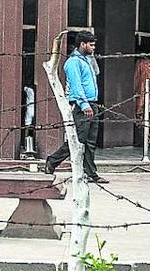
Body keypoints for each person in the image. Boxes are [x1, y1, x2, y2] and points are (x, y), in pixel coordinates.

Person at [44, 31, 107, 183]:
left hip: (92, 104)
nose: (93, 48)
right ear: (82, 44)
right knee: (78, 139)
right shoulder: (73, 62)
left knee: (90, 142)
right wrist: (84, 104)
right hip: (82, 106)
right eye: (90, 45)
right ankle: (52, 161)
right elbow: (76, 85)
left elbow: (95, 75)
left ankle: (91, 172)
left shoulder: (86, 60)